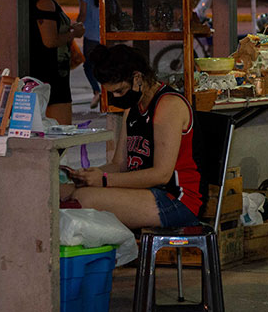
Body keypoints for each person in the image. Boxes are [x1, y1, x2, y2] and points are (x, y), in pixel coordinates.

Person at [62, 45, 202, 229]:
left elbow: (162, 175)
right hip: (144, 192)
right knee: (59, 192)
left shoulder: (168, 106)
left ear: (137, 78)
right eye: (111, 92)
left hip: (175, 199)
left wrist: (104, 180)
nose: (116, 97)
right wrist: (87, 175)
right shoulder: (133, 107)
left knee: (83, 199)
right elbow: (119, 164)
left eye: (119, 91)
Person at [29, 0, 84, 125]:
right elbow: (50, 40)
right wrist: (73, 34)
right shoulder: (44, 3)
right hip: (50, 74)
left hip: (48, 73)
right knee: (60, 132)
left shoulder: (41, 0)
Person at [77, 0, 102, 108]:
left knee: (88, 66)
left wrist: (74, 27)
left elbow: (83, 14)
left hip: (91, 36)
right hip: (104, 36)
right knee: (105, 65)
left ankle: (96, 90)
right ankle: (106, 91)